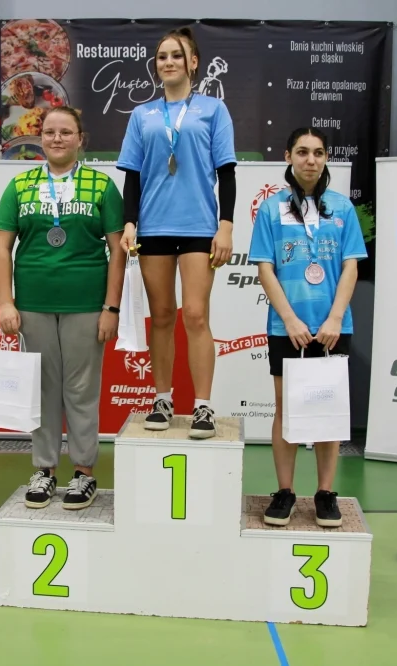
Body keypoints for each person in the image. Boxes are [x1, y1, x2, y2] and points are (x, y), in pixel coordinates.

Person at [0, 106, 126, 510]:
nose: (56, 138)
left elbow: (118, 251)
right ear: (40, 138)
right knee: (43, 390)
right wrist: (5, 301)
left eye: (66, 132)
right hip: (32, 305)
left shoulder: (102, 186)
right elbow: (2, 247)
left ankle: (83, 472)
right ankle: (44, 470)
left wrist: (112, 307)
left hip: (86, 304)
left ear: (80, 139)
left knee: (81, 391)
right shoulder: (20, 185)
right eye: (50, 131)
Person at [117, 26, 237, 439]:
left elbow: (226, 172)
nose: (167, 62)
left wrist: (225, 226)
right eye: (162, 56)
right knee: (163, 316)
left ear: (193, 62)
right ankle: (162, 399)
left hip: (200, 227)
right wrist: (130, 222)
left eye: (176, 55)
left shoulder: (213, 110)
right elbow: (132, 176)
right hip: (153, 227)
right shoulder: (142, 115)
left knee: (197, 315)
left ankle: (203, 406)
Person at [247, 127, 367, 528]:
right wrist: (289, 319)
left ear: (326, 157)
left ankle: (325, 492)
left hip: (333, 325)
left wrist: (335, 318)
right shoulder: (271, 209)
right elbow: (265, 268)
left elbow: (350, 265)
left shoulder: (341, 207)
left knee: (328, 408)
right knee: (286, 407)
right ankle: (284, 491)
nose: (310, 160)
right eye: (302, 152)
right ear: (288, 157)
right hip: (287, 326)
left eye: (317, 152)